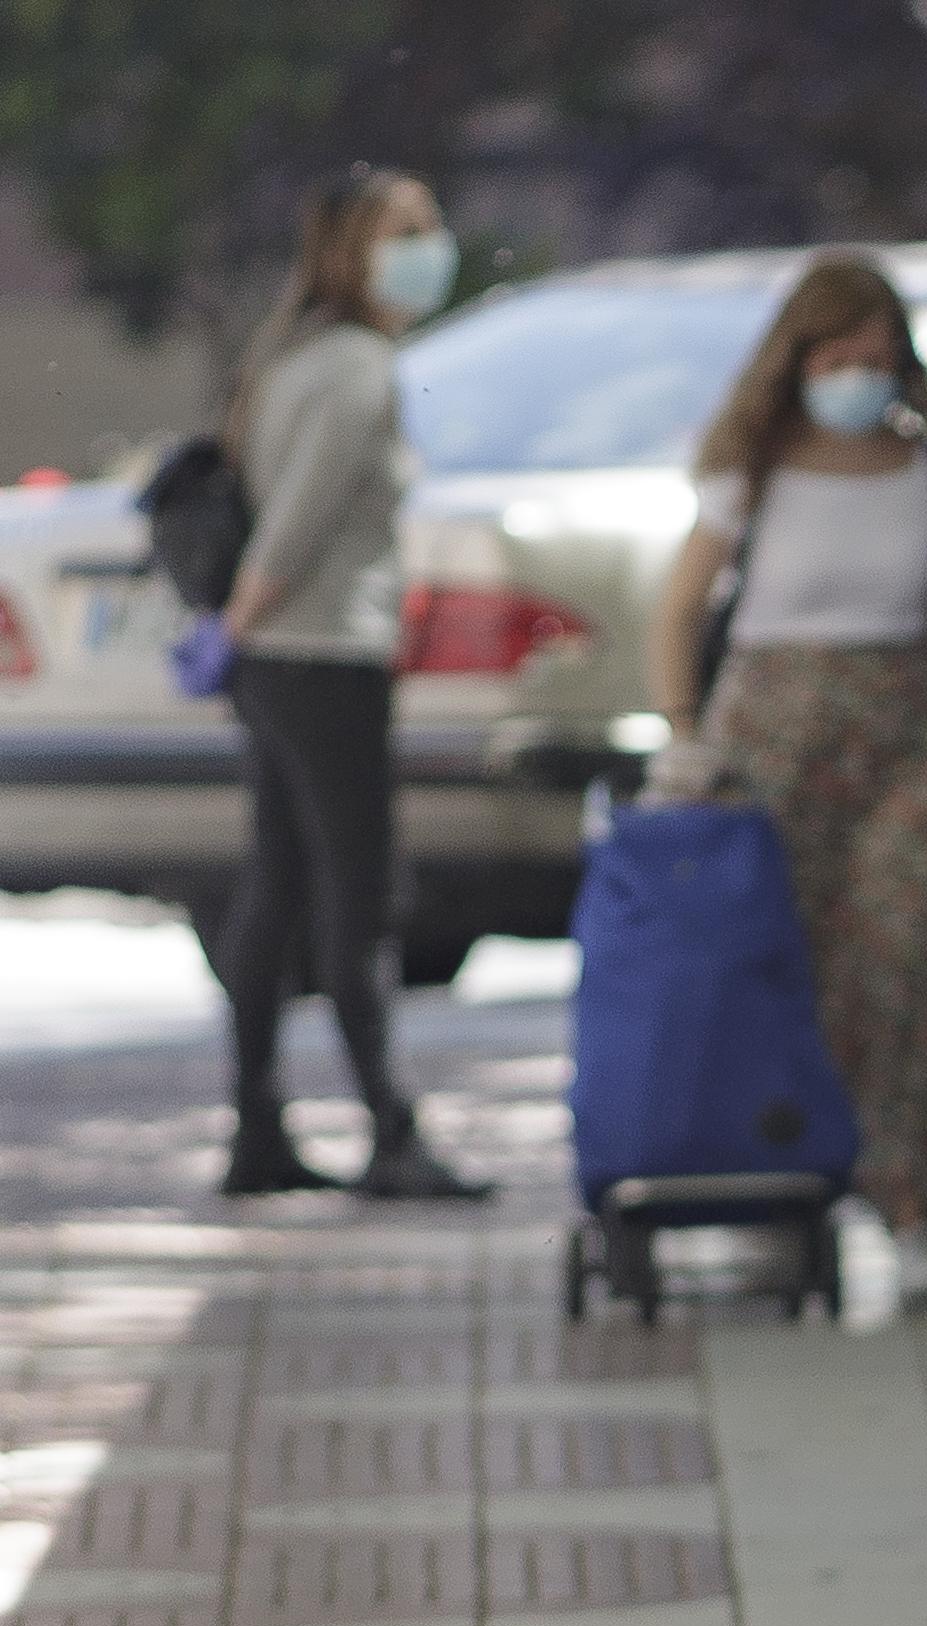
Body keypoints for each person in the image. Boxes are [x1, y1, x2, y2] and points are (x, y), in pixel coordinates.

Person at [650, 251, 927, 1311]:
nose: (860, 374)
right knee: (776, 960)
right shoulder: (752, 463)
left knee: (906, 959)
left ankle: (911, 1202)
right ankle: (773, 1195)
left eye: (877, 356)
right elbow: (678, 608)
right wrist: (684, 736)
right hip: (773, 728)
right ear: (797, 358)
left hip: (903, 723)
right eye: (839, 355)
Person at [214, 165, 488, 1201]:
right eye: (405, 231)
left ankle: (257, 1127)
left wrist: (240, 637)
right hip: (322, 652)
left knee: (278, 884)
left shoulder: (290, 358)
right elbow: (302, 518)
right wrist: (244, 618)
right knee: (356, 891)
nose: (430, 246)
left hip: (283, 658)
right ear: (352, 252)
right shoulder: (357, 367)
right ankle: (389, 1129)